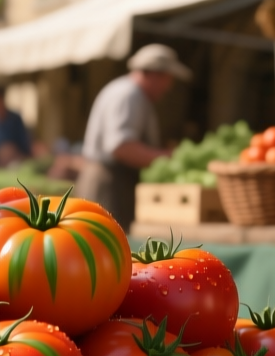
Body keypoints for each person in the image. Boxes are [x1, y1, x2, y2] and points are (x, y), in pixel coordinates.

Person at [76, 44, 190, 227]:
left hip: (114, 181)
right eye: (168, 79)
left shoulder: (128, 92)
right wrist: (168, 158)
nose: (168, 87)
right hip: (109, 184)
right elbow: (121, 147)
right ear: (154, 74)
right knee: (106, 246)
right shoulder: (128, 95)